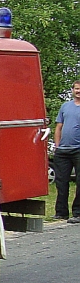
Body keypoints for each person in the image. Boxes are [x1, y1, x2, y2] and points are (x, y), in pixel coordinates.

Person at [52, 80, 80, 222]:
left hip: (78, 150)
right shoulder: (65, 106)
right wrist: (57, 146)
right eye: (76, 88)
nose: (78, 91)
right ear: (72, 90)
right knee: (61, 182)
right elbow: (58, 127)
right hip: (63, 150)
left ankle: (78, 213)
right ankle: (61, 212)